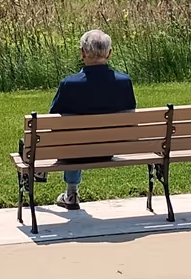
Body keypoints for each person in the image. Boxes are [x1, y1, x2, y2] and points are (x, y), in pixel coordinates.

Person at [47, 28, 137, 209]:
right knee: (73, 138)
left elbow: (53, 120)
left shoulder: (69, 84)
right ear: (109, 53)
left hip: (76, 149)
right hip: (110, 147)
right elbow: (130, 116)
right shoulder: (124, 81)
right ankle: (70, 192)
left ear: (82, 53)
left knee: (69, 138)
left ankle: (71, 192)